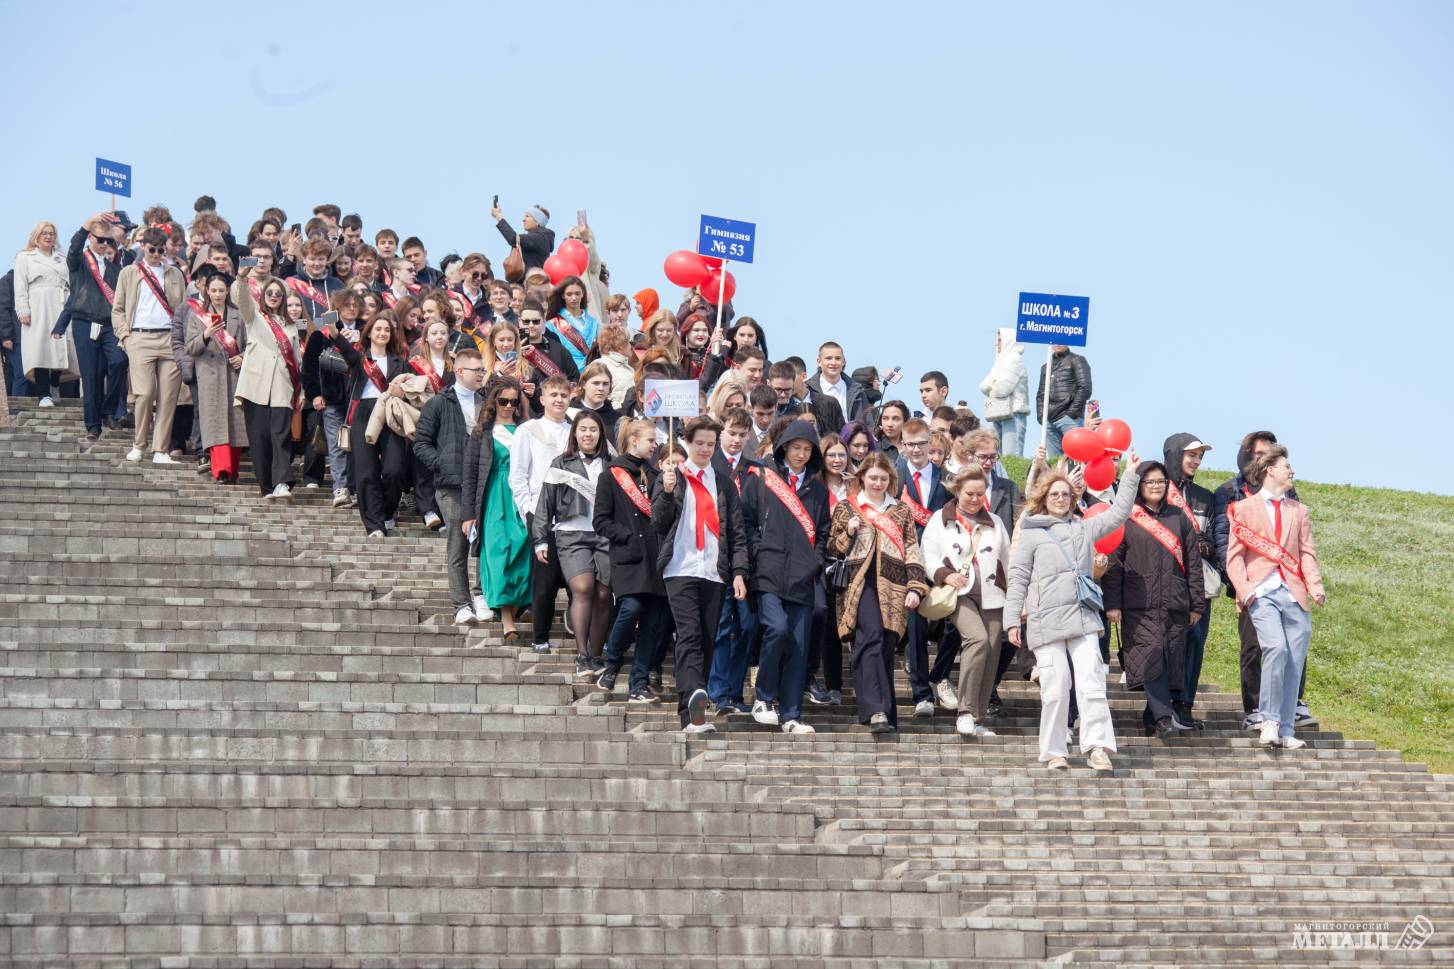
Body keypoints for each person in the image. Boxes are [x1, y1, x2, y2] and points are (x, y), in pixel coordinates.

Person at [1004, 449, 1141, 771]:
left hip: (1082, 619)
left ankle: (1097, 748)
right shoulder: (1031, 533)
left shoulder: (1084, 529)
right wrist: (1012, 620)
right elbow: (1018, 578)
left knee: (1092, 684)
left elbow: (1119, 514)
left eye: (1066, 494)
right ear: (1044, 497)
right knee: (1054, 689)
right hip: (1045, 622)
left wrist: (1131, 475)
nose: (1061, 499)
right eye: (1055, 494)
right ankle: (1054, 751)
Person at [652, 416, 750, 733]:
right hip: (679, 568)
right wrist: (666, 492)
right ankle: (691, 706)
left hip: (713, 570)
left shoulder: (723, 483)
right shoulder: (672, 476)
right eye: (699, 444)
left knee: (708, 639)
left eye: (710, 444)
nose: (705, 449)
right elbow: (659, 521)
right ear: (688, 444)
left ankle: (697, 697)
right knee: (690, 634)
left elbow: (735, 532)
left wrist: (738, 571)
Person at [1225, 444, 1325, 751]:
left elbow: (1306, 552)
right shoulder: (1243, 508)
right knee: (1276, 649)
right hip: (1262, 593)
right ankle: (1268, 720)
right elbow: (1234, 557)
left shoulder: (1300, 511)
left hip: (1293, 593)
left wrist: (1315, 585)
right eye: (1287, 466)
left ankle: (1285, 727)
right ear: (1271, 470)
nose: (1291, 471)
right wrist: (1245, 589)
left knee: (1294, 659)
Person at [1212, 430, 1310, 729]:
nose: (1264, 461)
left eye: (1269, 455)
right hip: (1251, 583)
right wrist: (1239, 582)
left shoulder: (1288, 493)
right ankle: (1255, 706)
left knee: (1293, 645)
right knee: (1256, 646)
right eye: (1258, 455)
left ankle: (1292, 703)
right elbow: (1221, 538)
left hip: (1285, 583)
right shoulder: (1228, 491)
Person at [1103, 461, 1206, 740]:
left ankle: (1152, 715)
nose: (1156, 486)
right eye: (1150, 482)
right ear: (1139, 486)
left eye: (1161, 481)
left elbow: (1193, 563)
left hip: (1174, 601)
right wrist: (1112, 603)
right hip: (1138, 603)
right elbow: (1114, 563)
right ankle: (1162, 718)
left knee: (1169, 658)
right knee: (1149, 657)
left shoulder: (1179, 518)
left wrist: (1196, 603)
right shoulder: (1126, 517)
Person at [740, 419, 831, 735]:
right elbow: (746, 519)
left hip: (802, 577)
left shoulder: (818, 489)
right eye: (796, 448)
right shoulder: (763, 477)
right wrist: (757, 551)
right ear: (784, 447)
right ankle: (763, 697)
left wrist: (815, 562)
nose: (801, 455)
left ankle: (792, 714)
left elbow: (823, 533)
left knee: (798, 645)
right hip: (768, 571)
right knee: (776, 630)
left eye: (807, 449)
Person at [828, 453, 929, 734]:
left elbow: (911, 549)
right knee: (870, 637)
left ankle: (884, 712)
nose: (877, 483)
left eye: (883, 478)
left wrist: (916, 587)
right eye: (873, 477)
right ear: (862, 478)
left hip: (893, 585)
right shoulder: (847, 508)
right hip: (858, 585)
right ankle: (877, 711)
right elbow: (832, 550)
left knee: (883, 645)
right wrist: (847, 533)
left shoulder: (900, 511)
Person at [920, 466, 1011, 737]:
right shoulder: (940, 519)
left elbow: (1009, 559)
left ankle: (978, 717)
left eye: (980, 494)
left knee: (993, 649)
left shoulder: (995, 521)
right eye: (969, 493)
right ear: (957, 491)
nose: (974, 499)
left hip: (994, 594)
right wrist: (946, 576)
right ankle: (965, 711)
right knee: (978, 639)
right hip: (959, 594)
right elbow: (928, 555)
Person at [594, 419, 672, 701]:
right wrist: (626, 535)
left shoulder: (657, 475)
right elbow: (600, 521)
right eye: (651, 440)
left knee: (653, 621)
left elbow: (666, 516)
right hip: (629, 557)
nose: (655, 446)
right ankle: (612, 662)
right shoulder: (611, 475)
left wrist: (669, 491)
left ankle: (638, 683)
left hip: (657, 558)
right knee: (630, 608)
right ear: (634, 439)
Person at [531, 409, 612, 675]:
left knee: (603, 594)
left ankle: (597, 655)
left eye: (593, 429)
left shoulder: (611, 464)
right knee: (583, 586)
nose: (588, 434)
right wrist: (540, 538)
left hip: (604, 536)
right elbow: (545, 502)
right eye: (583, 429)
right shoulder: (561, 463)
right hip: (571, 534)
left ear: (601, 434)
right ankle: (582, 653)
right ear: (574, 433)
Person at [413, 348, 489, 625]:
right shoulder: (439, 402)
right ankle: (461, 604)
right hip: (451, 485)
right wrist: (442, 463)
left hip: (482, 484)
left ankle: (482, 595)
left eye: (483, 370)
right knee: (457, 545)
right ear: (459, 371)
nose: (482, 374)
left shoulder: (486, 402)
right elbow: (420, 442)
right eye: (476, 370)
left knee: (484, 541)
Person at [461, 376, 531, 642]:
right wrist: (468, 514)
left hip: (521, 497)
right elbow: (469, 475)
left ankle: (518, 606)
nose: (509, 406)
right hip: (493, 496)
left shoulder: (527, 430)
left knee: (523, 551)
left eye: (514, 401)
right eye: (504, 401)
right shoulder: (481, 433)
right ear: (494, 401)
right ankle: (506, 619)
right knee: (498, 554)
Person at [112, 227, 187, 464]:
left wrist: (181, 337)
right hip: (140, 337)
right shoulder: (129, 272)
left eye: (160, 250)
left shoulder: (175, 273)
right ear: (143, 247)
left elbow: (183, 308)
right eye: (152, 249)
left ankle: (161, 449)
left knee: (168, 396)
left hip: (169, 338)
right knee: (144, 393)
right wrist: (125, 336)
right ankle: (139, 444)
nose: (156, 254)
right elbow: (118, 308)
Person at [330, 311, 411, 532]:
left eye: (387, 329)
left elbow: (412, 387)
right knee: (366, 471)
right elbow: (345, 349)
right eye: (378, 329)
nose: (383, 333)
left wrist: (402, 391)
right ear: (369, 333)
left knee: (394, 469)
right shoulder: (359, 357)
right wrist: (332, 330)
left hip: (390, 413)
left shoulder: (400, 361)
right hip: (363, 412)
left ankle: (386, 511)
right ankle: (373, 524)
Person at [706, 407, 763, 714]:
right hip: (715, 559)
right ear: (720, 433)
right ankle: (718, 692)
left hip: (748, 560)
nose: (737, 440)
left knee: (747, 627)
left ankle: (735, 692)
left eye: (743, 434)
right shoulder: (709, 465)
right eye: (732, 433)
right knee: (723, 626)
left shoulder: (755, 470)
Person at [510, 375, 573, 652]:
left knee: (576, 579)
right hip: (540, 512)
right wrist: (528, 511)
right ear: (543, 398)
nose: (559, 400)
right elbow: (518, 475)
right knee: (545, 580)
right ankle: (540, 636)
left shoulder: (576, 430)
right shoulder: (528, 430)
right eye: (554, 395)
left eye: (564, 395)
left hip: (573, 514)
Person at [895, 418, 952, 715]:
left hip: (942, 563)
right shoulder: (895, 477)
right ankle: (921, 694)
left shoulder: (948, 480)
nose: (916, 450)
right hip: (908, 562)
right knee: (915, 625)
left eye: (921, 443)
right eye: (910, 444)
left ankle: (940, 677)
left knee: (953, 623)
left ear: (931, 443)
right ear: (902, 446)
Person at [1162, 432, 1218, 728]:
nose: (1196, 461)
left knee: (1195, 642)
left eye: (1200, 456)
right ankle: (1162, 706)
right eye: (1191, 455)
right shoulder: (1156, 488)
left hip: (1198, 583)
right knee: (1168, 644)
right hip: (1165, 581)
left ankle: (1185, 704)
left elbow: (1211, 536)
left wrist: (1204, 545)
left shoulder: (1205, 497)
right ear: (1174, 455)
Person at [233, 269, 303, 497]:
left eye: (278, 293)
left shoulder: (291, 325)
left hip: (283, 387)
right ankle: (267, 486)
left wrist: (302, 392)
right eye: (269, 292)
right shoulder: (254, 316)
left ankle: (282, 481)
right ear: (263, 295)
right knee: (260, 439)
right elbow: (243, 299)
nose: (274, 296)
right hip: (256, 387)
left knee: (280, 436)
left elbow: (297, 361)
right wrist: (242, 278)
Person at [64, 212, 131, 437]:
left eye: (107, 241)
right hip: (84, 321)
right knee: (90, 375)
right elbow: (73, 250)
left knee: (120, 361)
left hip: (109, 324)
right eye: (99, 239)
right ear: (90, 238)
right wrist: (85, 226)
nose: (103, 244)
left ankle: (108, 410)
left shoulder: (115, 270)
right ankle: (92, 425)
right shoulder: (80, 262)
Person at [184, 271, 247, 483]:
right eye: (214, 290)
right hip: (210, 374)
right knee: (215, 423)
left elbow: (251, 346)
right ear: (207, 292)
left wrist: (242, 357)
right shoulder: (197, 316)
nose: (218, 294)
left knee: (235, 424)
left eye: (221, 290)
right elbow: (190, 347)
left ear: (227, 290)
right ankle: (221, 470)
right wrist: (206, 334)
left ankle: (233, 470)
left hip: (234, 374)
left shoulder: (238, 315)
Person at [303, 289, 362, 507]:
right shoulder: (322, 334)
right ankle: (340, 487)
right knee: (336, 445)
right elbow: (309, 367)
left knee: (358, 445)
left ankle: (356, 487)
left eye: (356, 304)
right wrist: (315, 394)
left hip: (359, 397)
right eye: (347, 304)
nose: (352, 308)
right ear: (337, 308)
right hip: (332, 398)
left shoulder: (366, 332)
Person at [14, 221, 71, 406]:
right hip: (37, 305)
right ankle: (43, 393)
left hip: (60, 303)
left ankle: (54, 383)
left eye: (51, 233)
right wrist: (23, 310)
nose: (48, 236)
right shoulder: (26, 257)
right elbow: (20, 286)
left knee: (59, 347)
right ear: (36, 236)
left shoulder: (62, 258)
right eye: (44, 233)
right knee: (40, 349)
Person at [408, 319, 454, 529]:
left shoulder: (454, 363)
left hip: (448, 421)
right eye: (434, 333)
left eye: (443, 333)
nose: (439, 337)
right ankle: (427, 509)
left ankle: (441, 511)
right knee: (422, 463)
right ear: (426, 337)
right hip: (422, 418)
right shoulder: (415, 362)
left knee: (442, 464)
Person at [1035, 344, 1093, 458]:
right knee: (1055, 461)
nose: (1058, 343)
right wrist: (1042, 417)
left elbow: (1085, 388)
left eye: (1061, 339)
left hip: (1069, 419)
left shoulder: (1077, 360)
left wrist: (1071, 413)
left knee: (1075, 459)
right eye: (1055, 340)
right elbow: (1041, 394)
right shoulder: (1046, 367)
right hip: (1049, 420)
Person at [979, 328, 1030, 457]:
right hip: (999, 411)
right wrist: (994, 386)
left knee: (1011, 456)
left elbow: (1002, 388)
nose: (997, 344)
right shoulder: (1000, 360)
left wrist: (992, 386)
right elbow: (983, 385)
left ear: (1009, 340)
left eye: (1000, 340)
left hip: (1013, 414)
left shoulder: (1015, 359)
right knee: (997, 456)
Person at [807, 341, 869, 425]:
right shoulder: (808, 389)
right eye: (828, 358)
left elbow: (868, 424)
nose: (833, 363)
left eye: (838, 358)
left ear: (843, 362)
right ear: (819, 362)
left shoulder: (857, 390)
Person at [546, 276, 598, 371]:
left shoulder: (594, 323)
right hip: (568, 373)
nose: (574, 298)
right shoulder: (551, 324)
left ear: (583, 294)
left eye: (577, 294)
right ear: (563, 295)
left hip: (592, 371)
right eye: (569, 294)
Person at [492, 203, 554, 272]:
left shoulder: (540, 237)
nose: (523, 219)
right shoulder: (539, 237)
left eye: (527, 216)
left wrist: (498, 216)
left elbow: (514, 239)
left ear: (538, 222)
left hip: (531, 281)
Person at [596, 326, 635, 407]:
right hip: (611, 418)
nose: (631, 346)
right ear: (619, 345)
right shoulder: (599, 367)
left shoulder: (628, 368)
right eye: (628, 342)